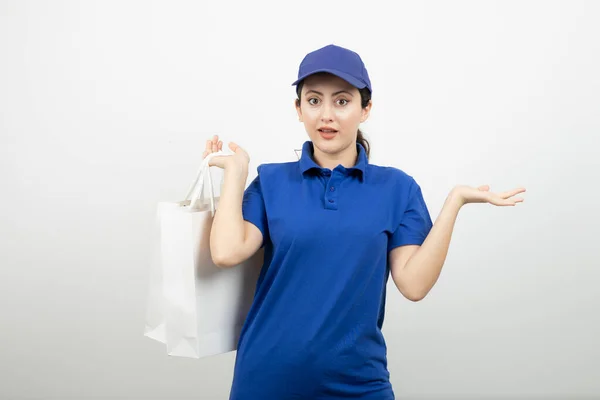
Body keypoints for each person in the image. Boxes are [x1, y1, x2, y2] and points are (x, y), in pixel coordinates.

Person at [204, 44, 526, 399]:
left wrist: (454, 202)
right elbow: (227, 252)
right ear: (298, 109)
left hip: (358, 384)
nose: (326, 114)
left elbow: (414, 285)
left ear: (365, 109)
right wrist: (236, 173)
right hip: (266, 381)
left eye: (342, 101)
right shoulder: (271, 181)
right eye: (313, 101)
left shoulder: (397, 188)